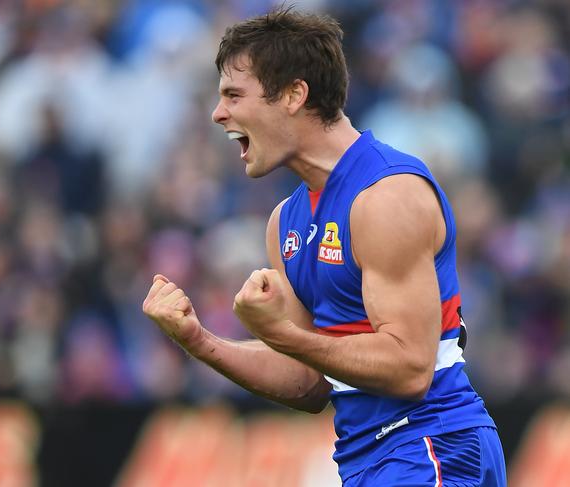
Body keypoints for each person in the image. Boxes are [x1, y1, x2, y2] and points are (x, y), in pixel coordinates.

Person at [143, 7, 507, 486]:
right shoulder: (285, 222)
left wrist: (282, 333)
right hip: (370, 462)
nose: (219, 114)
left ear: (294, 94)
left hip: (432, 445)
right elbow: (309, 382)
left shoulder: (386, 195)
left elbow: (411, 368)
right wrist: (198, 339)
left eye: (234, 94)